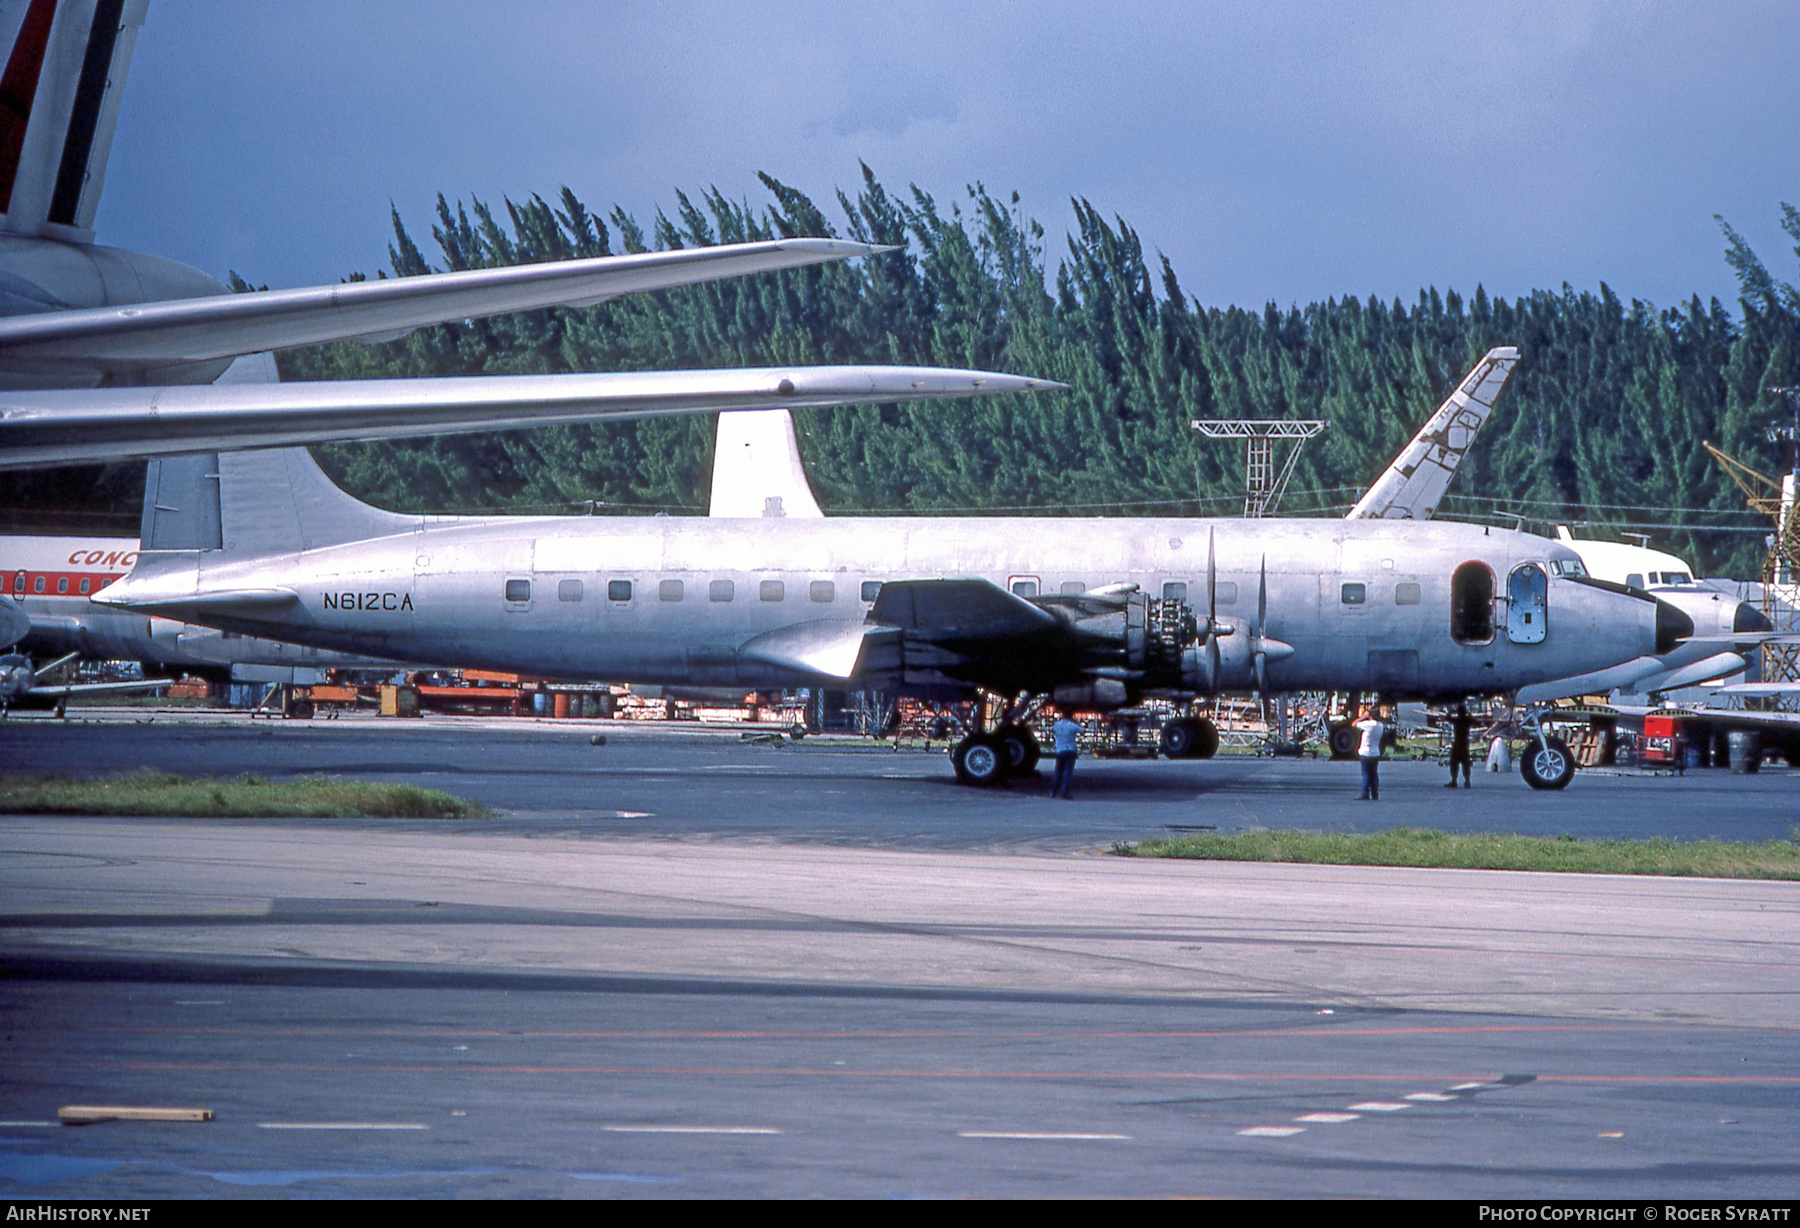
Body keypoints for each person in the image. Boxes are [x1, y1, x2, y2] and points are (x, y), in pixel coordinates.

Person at [1354, 704, 1386, 800]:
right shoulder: (1380, 725)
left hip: (1365, 752)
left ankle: (1365, 793)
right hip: (1375, 752)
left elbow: (1354, 724)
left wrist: (1363, 717)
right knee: (1374, 774)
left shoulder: (1368, 725)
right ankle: (1375, 793)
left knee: (1366, 774)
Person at [1049, 707, 1082, 800]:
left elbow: (1052, 730)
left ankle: (1053, 791)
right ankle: (1064, 792)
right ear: (1071, 716)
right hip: (1071, 750)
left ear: (1062, 715)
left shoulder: (1057, 725)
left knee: (1058, 771)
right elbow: (1082, 731)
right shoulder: (1072, 725)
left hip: (1060, 750)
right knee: (1067, 772)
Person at [1446, 703, 1473, 789]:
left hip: (1457, 744)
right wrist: (1468, 714)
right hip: (1464, 744)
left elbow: (1447, 718)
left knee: (1454, 763)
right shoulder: (1467, 720)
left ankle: (1454, 780)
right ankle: (1467, 781)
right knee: (1465, 764)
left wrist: (1451, 711)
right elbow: (1475, 721)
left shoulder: (1457, 720)